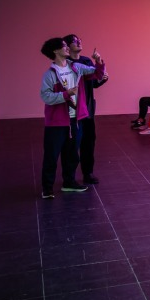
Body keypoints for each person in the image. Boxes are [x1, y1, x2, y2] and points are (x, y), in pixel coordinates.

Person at [39, 37, 105, 198]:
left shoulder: (76, 67)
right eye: (64, 46)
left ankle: (69, 183)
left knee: (72, 154)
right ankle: (47, 188)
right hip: (56, 123)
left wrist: (98, 62)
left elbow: (96, 74)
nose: (67, 48)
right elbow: (46, 97)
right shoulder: (50, 74)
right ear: (55, 51)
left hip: (75, 120)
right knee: (52, 155)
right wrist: (65, 94)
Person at [64, 33, 108, 185]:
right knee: (72, 145)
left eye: (79, 40)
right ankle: (69, 178)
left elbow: (93, 83)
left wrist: (102, 78)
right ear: (67, 46)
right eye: (74, 41)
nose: (78, 42)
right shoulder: (65, 64)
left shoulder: (86, 61)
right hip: (72, 111)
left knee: (88, 142)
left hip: (87, 110)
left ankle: (88, 173)